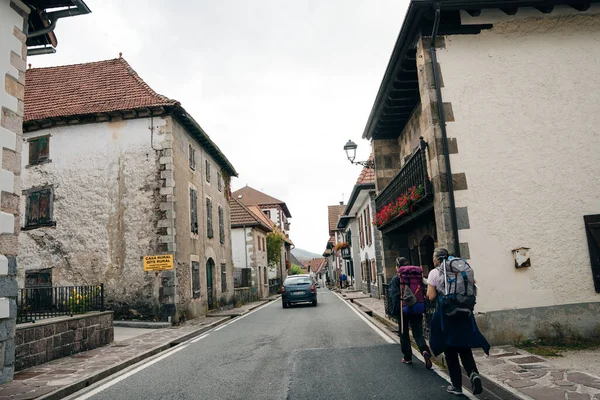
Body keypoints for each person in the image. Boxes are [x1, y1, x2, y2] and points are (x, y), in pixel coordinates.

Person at [427, 247, 490, 396]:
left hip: (446, 314)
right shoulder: (461, 268)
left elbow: (431, 296)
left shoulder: (435, 272)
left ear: (437, 259)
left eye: (433, 257)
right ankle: (473, 374)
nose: (433, 260)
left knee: (450, 350)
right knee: (464, 347)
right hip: (464, 314)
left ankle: (456, 385)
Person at [389, 257, 432, 369]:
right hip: (417, 306)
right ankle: (424, 351)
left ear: (397, 267)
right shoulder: (416, 276)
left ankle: (407, 357)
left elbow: (394, 295)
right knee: (418, 333)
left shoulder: (396, 278)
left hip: (403, 309)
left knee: (404, 334)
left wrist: (394, 311)